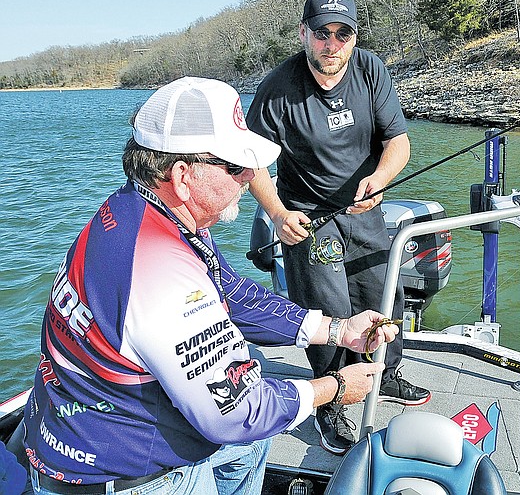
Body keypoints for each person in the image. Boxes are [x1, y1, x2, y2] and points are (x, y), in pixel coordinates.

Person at [19, 77, 397, 494]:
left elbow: (229, 292)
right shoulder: (166, 274)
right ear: (182, 176)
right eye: (236, 167)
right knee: (252, 411)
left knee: (253, 435)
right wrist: (336, 387)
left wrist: (338, 330)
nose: (251, 176)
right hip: (127, 471)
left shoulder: (141, 210)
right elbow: (237, 412)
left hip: (80, 427)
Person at [245, 0, 431, 456]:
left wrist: (382, 177)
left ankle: (386, 374)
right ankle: (331, 402)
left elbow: (398, 142)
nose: (332, 45)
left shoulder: (371, 71)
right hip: (307, 221)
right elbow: (252, 162)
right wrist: (278, 213)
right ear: (304, 33)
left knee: (380, 296)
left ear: (354, 36)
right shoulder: (278, 89)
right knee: (328, 313)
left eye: (342, 34)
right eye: (322, 33)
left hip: (364, 210)